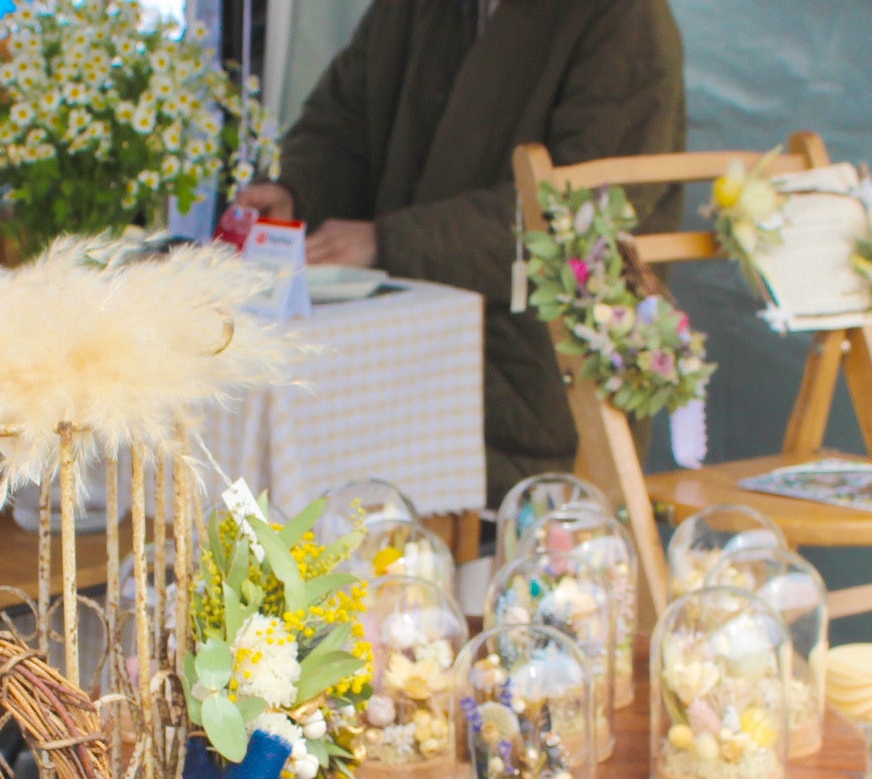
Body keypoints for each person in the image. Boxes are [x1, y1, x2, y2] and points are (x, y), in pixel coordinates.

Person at [238, 0, 685, 507]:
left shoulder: (622, 18)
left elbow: (584, 207)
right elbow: (341, 129)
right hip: (397, 348)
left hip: (534, 376)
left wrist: (390, 241)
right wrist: (295, 194)